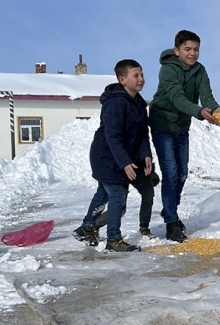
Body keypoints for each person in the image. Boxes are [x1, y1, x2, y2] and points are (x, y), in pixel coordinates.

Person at [149, 30, 220, 243]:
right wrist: (200, 112)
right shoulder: (167, 70)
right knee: (171, 173)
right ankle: (172, 222)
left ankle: (169, 209)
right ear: (177, 50)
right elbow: (177, 98)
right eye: (187, 49)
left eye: (196, 49)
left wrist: (213, 109)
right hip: (162, 123)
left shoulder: (200, 70)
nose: (192, 54)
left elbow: (206, 95)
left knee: (182, 173)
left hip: (182, 126)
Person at [73, 59, 151, 252]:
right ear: (122, 79)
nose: (141, 79)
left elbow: (142, 134)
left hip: (122, 157)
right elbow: (112, 136)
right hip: (106, 156)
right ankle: (113, 239)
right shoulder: (116, 103)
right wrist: (125, 162)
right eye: (136, 75)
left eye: (142, 74)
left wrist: (146, 155)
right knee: (116, 195)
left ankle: (87, 227)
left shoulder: (139, 103)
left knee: (103, 193)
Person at [92, 166, 160, 239]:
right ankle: (94, 226)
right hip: (120, 170)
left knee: (148, 193)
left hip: (137, 169)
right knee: (120, 207)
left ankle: (144, 228)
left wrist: (150, 169)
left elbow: (145, 155)